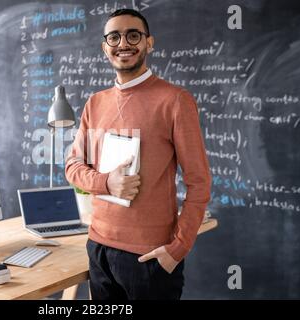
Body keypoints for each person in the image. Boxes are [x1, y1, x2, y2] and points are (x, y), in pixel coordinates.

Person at [65, 8, 211, 300]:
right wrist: (107, 182)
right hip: (98, 248)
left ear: (149, 43)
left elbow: (199, 181)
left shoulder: (175, 101)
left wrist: (177, 249)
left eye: (133, 35)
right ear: (105, 48)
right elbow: (73, 166)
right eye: (114, 37)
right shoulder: (95, 103)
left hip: (150, 258)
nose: (123, 43)